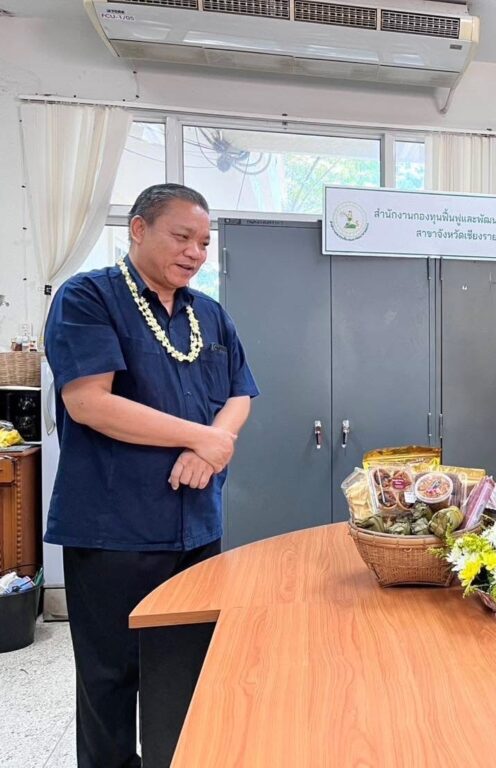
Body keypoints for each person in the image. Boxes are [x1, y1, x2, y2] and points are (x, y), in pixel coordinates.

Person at [44, 183, 259, 767]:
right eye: (182, 236)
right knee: (111, 679)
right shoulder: (88, 297)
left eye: (204, 242)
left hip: (197, 528)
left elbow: (240, 393)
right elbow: (89, 403)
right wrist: (199, 436)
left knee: (187, 672)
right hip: (114, 529)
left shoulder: (208, 313)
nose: (195, 252)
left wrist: (214, 446)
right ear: (138, 229)